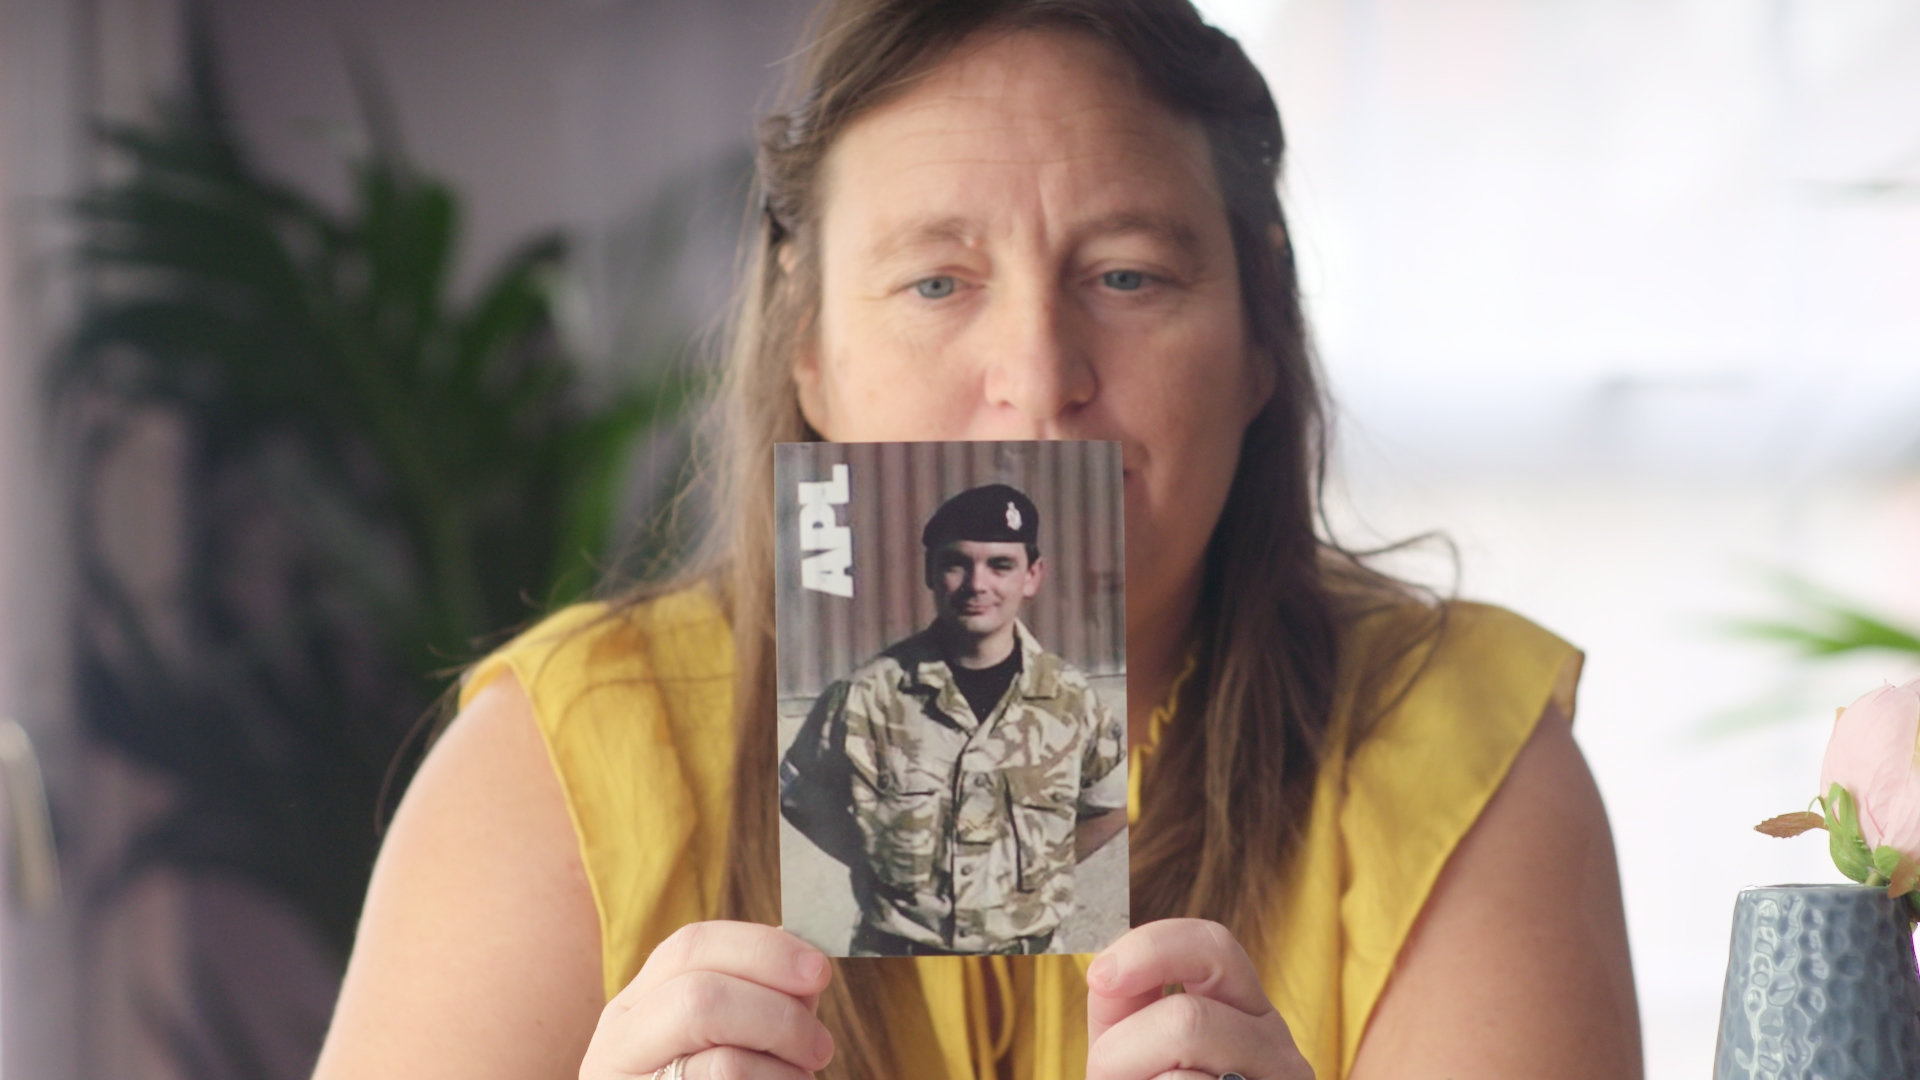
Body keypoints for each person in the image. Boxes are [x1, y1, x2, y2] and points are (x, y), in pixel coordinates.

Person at [311, 1, 1642, 1079]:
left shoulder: (1459, 757)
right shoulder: (562, 760)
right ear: (814, 355)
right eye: (938, 281)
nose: (1038, 374)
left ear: (1256, 345)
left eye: (1128, 275)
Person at [779, 482, 1129, 957]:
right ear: (930, 572)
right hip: (897, 964)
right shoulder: (867, 696)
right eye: (956, 563)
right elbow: (800, 796)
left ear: (1032, 576)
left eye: (1000, 565)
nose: (977, 584)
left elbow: (1112, 801)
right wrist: (879, 866)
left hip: (1030, 964)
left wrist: (1042, 868)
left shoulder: (1070, 699)